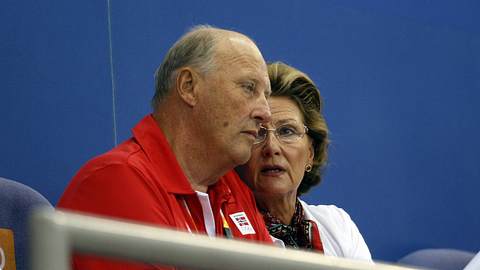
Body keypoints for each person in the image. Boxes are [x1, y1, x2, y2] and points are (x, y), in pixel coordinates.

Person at [58, 25, 273, 269]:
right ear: (189, 86)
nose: (265, 113)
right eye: (248, 88)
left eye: (265, 95)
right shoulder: (116, 181)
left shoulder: (234, 191)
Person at [236, 62, 372, 261]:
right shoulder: (223, 231)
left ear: (311, 152)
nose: (272, 147)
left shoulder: (337, 225)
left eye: (287, 131)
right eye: (258, 132)